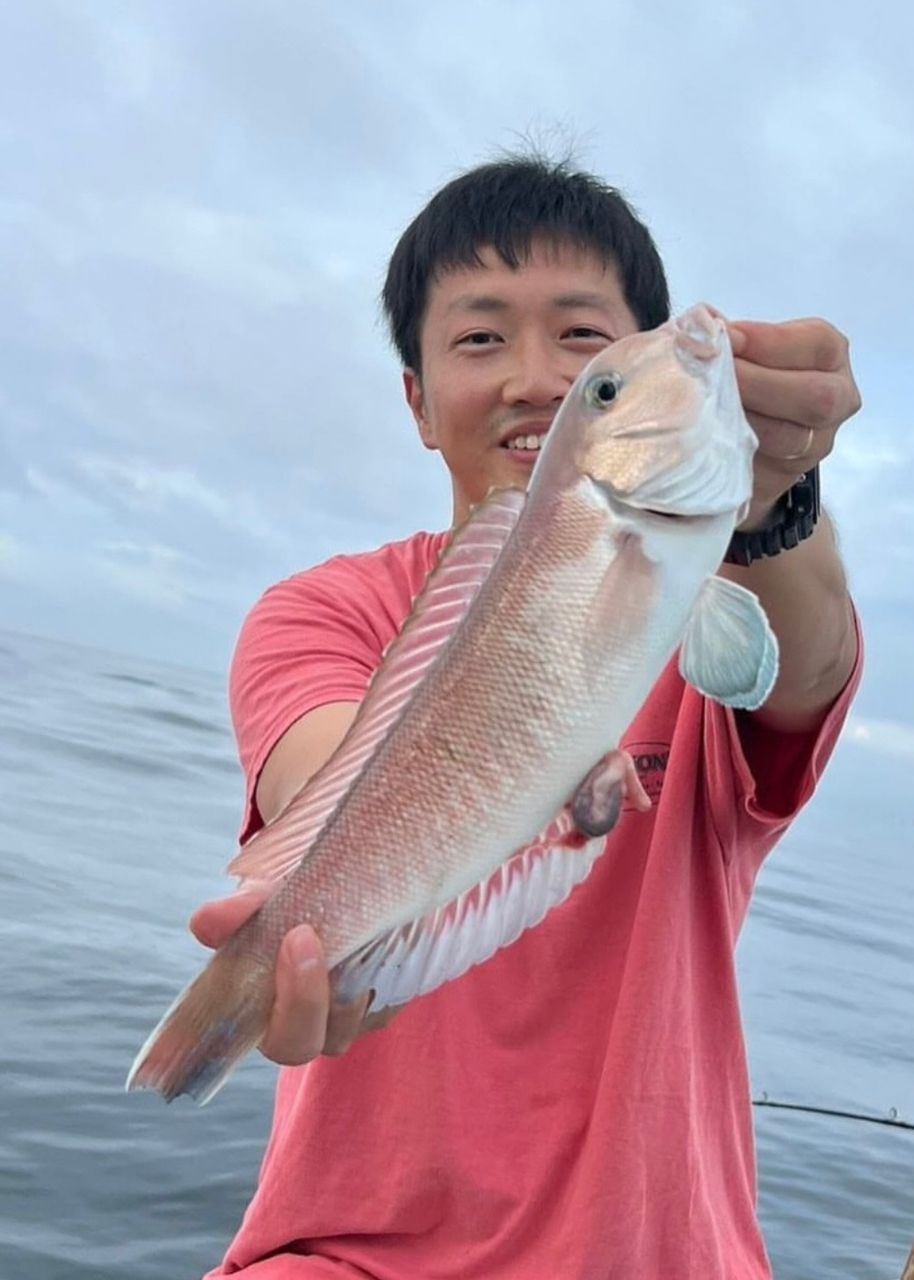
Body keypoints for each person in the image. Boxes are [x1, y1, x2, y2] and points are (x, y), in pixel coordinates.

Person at [195, 154, 863, 1279]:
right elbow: (323, 780)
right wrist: (333, 947)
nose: (535, 376)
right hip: (345, 1253)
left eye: (587, 346)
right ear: (415, 399)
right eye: (478, 338)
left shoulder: (725, 593)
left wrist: (777, 498)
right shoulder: (317, 610)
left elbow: (803, 661)